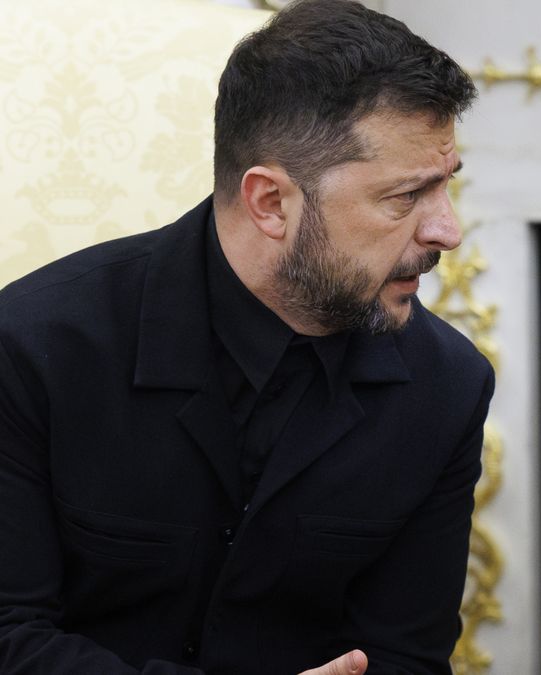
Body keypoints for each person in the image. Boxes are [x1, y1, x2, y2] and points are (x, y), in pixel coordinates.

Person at [0, 0, 493, 672]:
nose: (446, 231)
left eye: (445, 187)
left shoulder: (449, 386)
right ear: (270, 203)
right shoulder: (34, 347)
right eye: (405, 197)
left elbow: (406, 655)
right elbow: (8, 635)